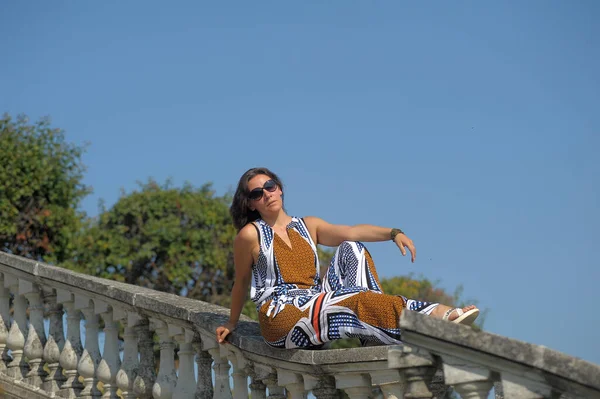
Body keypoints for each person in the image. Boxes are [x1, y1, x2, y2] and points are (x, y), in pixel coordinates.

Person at [216, 167, 479, 349]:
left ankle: (374, 338)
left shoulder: (309, 225)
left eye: (269, 186)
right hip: (282, 317)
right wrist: (232, 322)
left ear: (280, 189)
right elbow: (240, 282)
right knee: (351, 299)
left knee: (352, 247)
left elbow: (352, 231)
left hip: (315, 302)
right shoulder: (250, 235)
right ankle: (435, 317)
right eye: (256, 193)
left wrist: (392, 233)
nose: (266, 194)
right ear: (251, 204)